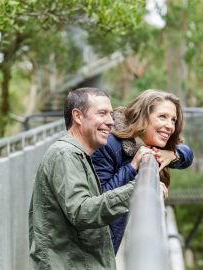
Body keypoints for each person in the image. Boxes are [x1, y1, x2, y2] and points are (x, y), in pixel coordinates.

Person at [28, 87, 135, 270]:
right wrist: (136, 189)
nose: (110, 122)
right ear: (78, 116)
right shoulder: (64, 155)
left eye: (110, 114)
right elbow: (82, 212)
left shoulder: (78, 154)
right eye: (102, 113)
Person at [92, 89, 193, 253]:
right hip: (91, 247)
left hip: (112, 245)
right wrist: (133, 166)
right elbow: (99, 201)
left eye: (173, 120)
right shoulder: (109, 144)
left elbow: (188, 155)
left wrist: (173, 154)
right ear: (142, 116)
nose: (170, 126)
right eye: (162, 117)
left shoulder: (153, 143)